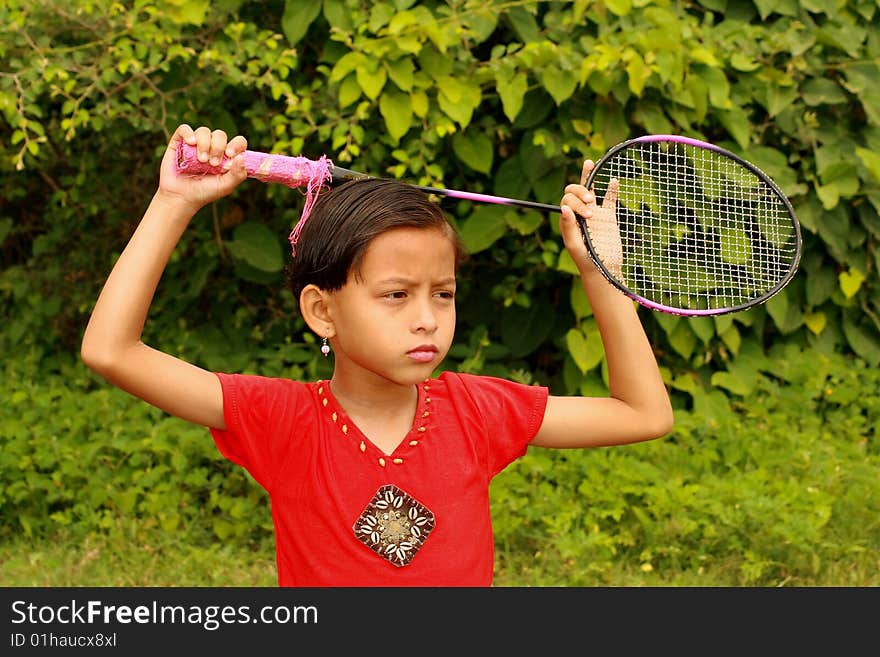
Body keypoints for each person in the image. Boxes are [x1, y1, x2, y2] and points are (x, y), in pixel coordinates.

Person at [81, 124, 674, 586]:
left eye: (443, 294)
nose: (427, 318)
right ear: (322, 311)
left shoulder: (477, 411)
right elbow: (112, 350)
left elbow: (643, 415)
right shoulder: (281, 420)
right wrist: (173, 201)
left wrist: (602, 271)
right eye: (396, 295)